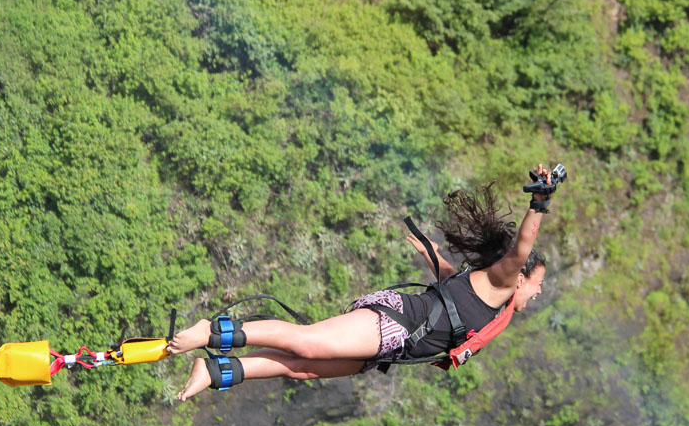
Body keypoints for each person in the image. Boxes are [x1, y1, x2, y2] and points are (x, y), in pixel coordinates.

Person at [167, 164, 556, 401]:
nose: (537, 291)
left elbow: (452, 282)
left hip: (389, 350)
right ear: (518, 277)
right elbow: (521, 247)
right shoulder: (502, 281)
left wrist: (432, 255)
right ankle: (211, 333)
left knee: (300, 368)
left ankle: (214, 371)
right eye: (536, 283)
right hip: (394, 322)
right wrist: (540, 201)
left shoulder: (488, 300)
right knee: (306, 341)